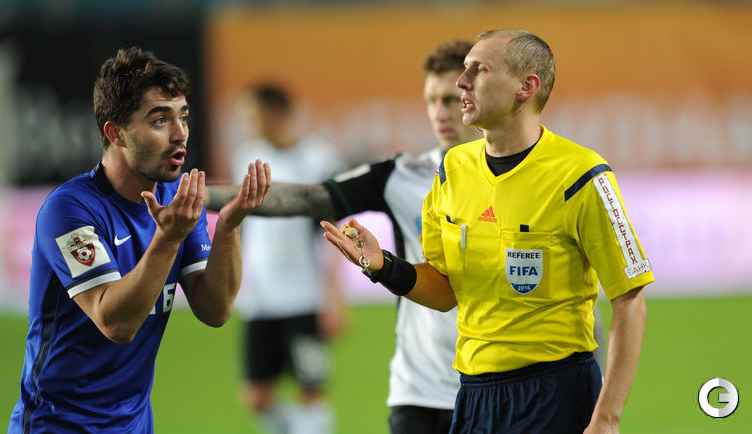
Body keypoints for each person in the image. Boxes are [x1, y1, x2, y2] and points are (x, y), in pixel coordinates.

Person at [321, 29, 653, 433]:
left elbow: (630, 300)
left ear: (526, 87)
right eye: (465, 70)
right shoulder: (452, 170)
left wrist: (606, 419)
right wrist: (384, 267)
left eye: (479, 70)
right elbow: (445, 291)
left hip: (555, 393)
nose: (462, 82)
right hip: (475, 396)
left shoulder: (582, 176)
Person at [209, 40, 479, 434]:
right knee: (257, 395)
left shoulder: (522, 182)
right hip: (418, 389)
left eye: (450, 100)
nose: (439, 112)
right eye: (431, 100)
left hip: (490, 383)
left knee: (310, 393)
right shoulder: (401, 176)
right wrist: (196, 196)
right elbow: (309, 200)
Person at [7, 47, 271, 434]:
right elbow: (116, 323)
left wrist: (229, 227)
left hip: (134, 424)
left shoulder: (175, 198)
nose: (180, 133)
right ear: (115, 133)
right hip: (60, 424)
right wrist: (168, 239)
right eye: (160, 119)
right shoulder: (70, 210)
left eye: (183, 116)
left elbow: (215, 310)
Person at [228, 83, 347, 434]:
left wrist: (333, 297)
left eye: (252, 116)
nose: (247, 124)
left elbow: (334, 233)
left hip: (304, 298)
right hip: (261, 299)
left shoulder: (319, 159)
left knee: (311, 390)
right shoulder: (245, 159)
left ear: (275, 114)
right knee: (256, 397)